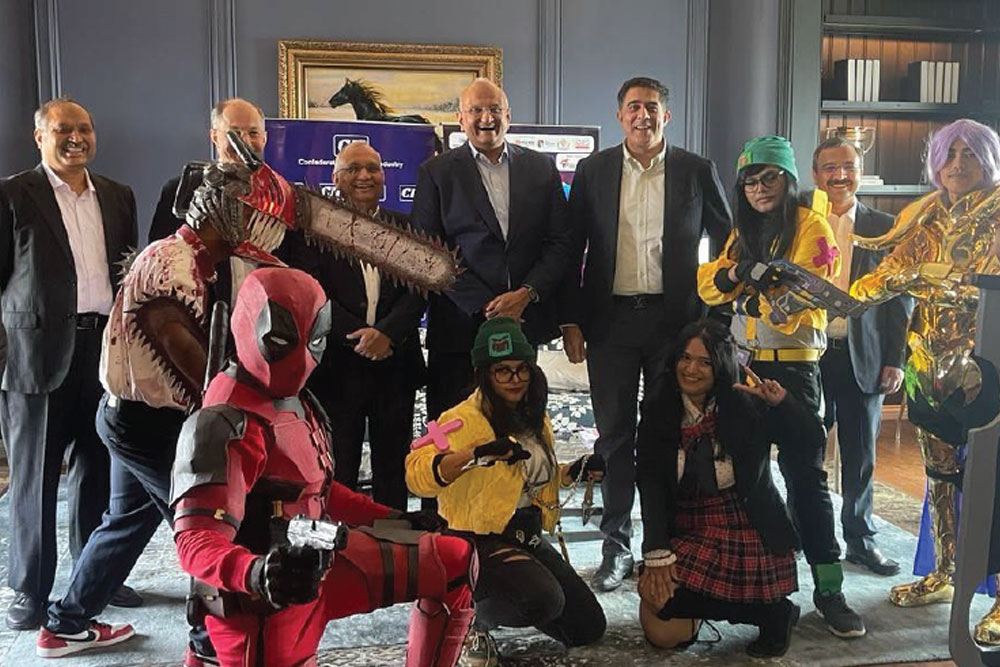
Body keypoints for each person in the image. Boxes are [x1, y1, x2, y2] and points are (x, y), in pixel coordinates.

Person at [170, 266, 476, 667]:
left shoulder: (298, 400)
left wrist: (394, 518)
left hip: (322, 563)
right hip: (263, 607)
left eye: (312, 340)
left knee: (452, 562)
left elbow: (320, 491)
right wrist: (257, 572)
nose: (299, 359)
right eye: (282, 341)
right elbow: (195, 542)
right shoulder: (224, 422)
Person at [559, 76, 732, 592]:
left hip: (674, 324)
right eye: (634, 107)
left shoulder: (696, 170)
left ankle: (663, 542)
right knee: (615, 436)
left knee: (665, 434)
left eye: (652, 107)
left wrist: (713, 320)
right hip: (609, 322)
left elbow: (729, 245)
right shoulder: (593, 171)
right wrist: (571, 320)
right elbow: (570, 249)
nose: (643, 115)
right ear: (620, 115)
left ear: (666, 116)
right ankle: (616, 545)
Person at [696, 135, 865, 638]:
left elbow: (799, 303)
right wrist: (738, 274)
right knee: (745, 478)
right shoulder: (741, 232)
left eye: (769, 177)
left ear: (788, 179)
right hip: (743, 370)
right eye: (749, 181)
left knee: (806, 480)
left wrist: (744, 293)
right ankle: (763, 583)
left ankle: (830, 590)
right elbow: (706, 283)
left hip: (794, 373)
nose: (759, 188)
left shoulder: (812, 226)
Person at [850, 118, 1000, 644]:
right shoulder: (926, 213)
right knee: (939, 476)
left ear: (989, 159)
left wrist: (938, 282)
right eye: (949, 153)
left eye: (970, 153)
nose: (958, 163)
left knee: (994, 479)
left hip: (988, 369)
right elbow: (882, 277)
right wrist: (852, 292)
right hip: (928, 367)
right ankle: (945, 571)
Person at [0, 98, 138, 631]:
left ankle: (93, 578)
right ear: (40, 137)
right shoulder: (13, 194)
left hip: (103, 351)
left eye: (84, 128)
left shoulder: (119, 196)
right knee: (34, 479)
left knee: (98, 470)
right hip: (35, 357)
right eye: (63, 130)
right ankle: (29, 588)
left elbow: (127, 275)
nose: (76, 138)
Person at [406, 317, 607, 666]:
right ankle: (466, 618)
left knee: (587, 627)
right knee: (544, 600)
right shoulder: (460, 420)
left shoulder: (535, 416)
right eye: (503, 371)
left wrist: (572, 473)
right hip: (476, 540)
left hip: (526, 535)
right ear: (484, 374)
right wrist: (474, 456)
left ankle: (511, 591)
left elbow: (529, 480)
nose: (515, 379)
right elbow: (416, 474)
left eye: (522, 369)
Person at [636, 319, 808, 658]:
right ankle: (756, 611)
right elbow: (650, 482)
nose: (691, 370)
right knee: (660, 613)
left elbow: (810, 440)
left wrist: (781, 403)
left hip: (744, 520)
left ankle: (775, 613)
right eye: (685, 358)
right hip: (688, 523)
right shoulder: (658, 407)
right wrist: (656, 551)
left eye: (704, 362)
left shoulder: (747, 403)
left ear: (721, 366)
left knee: (673, 606)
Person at [411, 78, 573, 423]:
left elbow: (560, 241)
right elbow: (427, 252)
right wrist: (490, 306)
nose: (487, 117)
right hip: (458, 328)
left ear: (508, 116)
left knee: (518, 427)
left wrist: (525, 294)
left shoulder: (541, 168)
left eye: (494, 109)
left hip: (523, 323)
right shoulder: (436, 173)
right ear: (461, 119)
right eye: (476, 110)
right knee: (454, 431)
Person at [286, 140, 426, 509]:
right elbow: (311, 293)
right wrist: (360, 338)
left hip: (395, 366)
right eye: (353, 169)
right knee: (339, 469)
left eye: (373, 168)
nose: (365, 176)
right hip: (338, 370)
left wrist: (387, 334)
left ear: (384, 176)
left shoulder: (407, 228)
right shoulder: (314, 230)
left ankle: (392, 537)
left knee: (393, 469)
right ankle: (342, 540)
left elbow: (420, 289)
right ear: (336, 179)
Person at [812, 135, 913, 576]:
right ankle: (805, 533)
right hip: (809, 354)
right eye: (830, 168)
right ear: (817, 175)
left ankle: (860, 538)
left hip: (864, 357)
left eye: (848, 166)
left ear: (860, 172)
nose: (840, 175)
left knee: (860, 457)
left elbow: (900, 299)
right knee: (804, 452)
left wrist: (896, 358)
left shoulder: (885, 227)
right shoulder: (802, 222)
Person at [148, 97, 267, 243]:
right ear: (214, 136)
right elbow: (160, 252)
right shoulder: (179, 191)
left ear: (264, 138)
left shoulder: (284, 195)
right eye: (234, 134)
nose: (245, 142)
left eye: (253, 133)